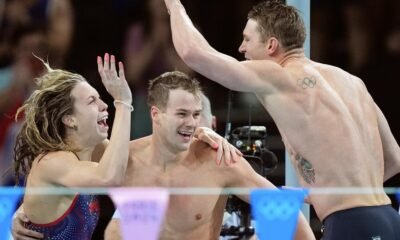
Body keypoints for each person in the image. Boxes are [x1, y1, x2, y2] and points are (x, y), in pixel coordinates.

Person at [164, 0, 400, 239]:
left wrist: (173, 6)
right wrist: (337, 190)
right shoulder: (352, 82)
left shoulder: (281, 76)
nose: (240, 48)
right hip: (388, 218)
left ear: (271, 45)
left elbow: (193, 53)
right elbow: (394, 159)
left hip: (351, 224)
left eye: (247, 39)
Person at [103, 71, 314, 240]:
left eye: (196, 114)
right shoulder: (125, 158)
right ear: (156, 115)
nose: (192, 123)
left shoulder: (219, 160)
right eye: (182, 114)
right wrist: (121, 103)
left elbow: (285, 210)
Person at [12, 53, 132, 239]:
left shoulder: (92, 149)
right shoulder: (52, 161)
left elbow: (138, 156)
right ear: (69, 119)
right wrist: (123, 103)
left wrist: (192, 140)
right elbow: (109, 178)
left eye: (99, 98)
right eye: (92, 101)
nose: (104, 105)